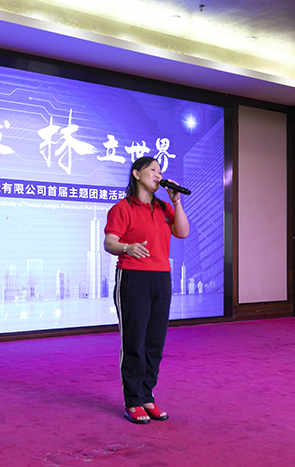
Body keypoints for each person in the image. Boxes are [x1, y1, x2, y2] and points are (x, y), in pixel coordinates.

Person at [103, 156, 190, 424]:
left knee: (155, 341)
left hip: (161, 278)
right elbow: (109, 242)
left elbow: (182, 232)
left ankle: (147, 396)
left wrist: (176, 201)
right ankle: (133, 401)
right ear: (136, 174)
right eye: (153, 169)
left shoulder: (164, 207)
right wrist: (127, 247)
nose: (158, 174)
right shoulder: (122, 208)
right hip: (133, 278)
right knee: (135, 341)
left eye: (160, 171)